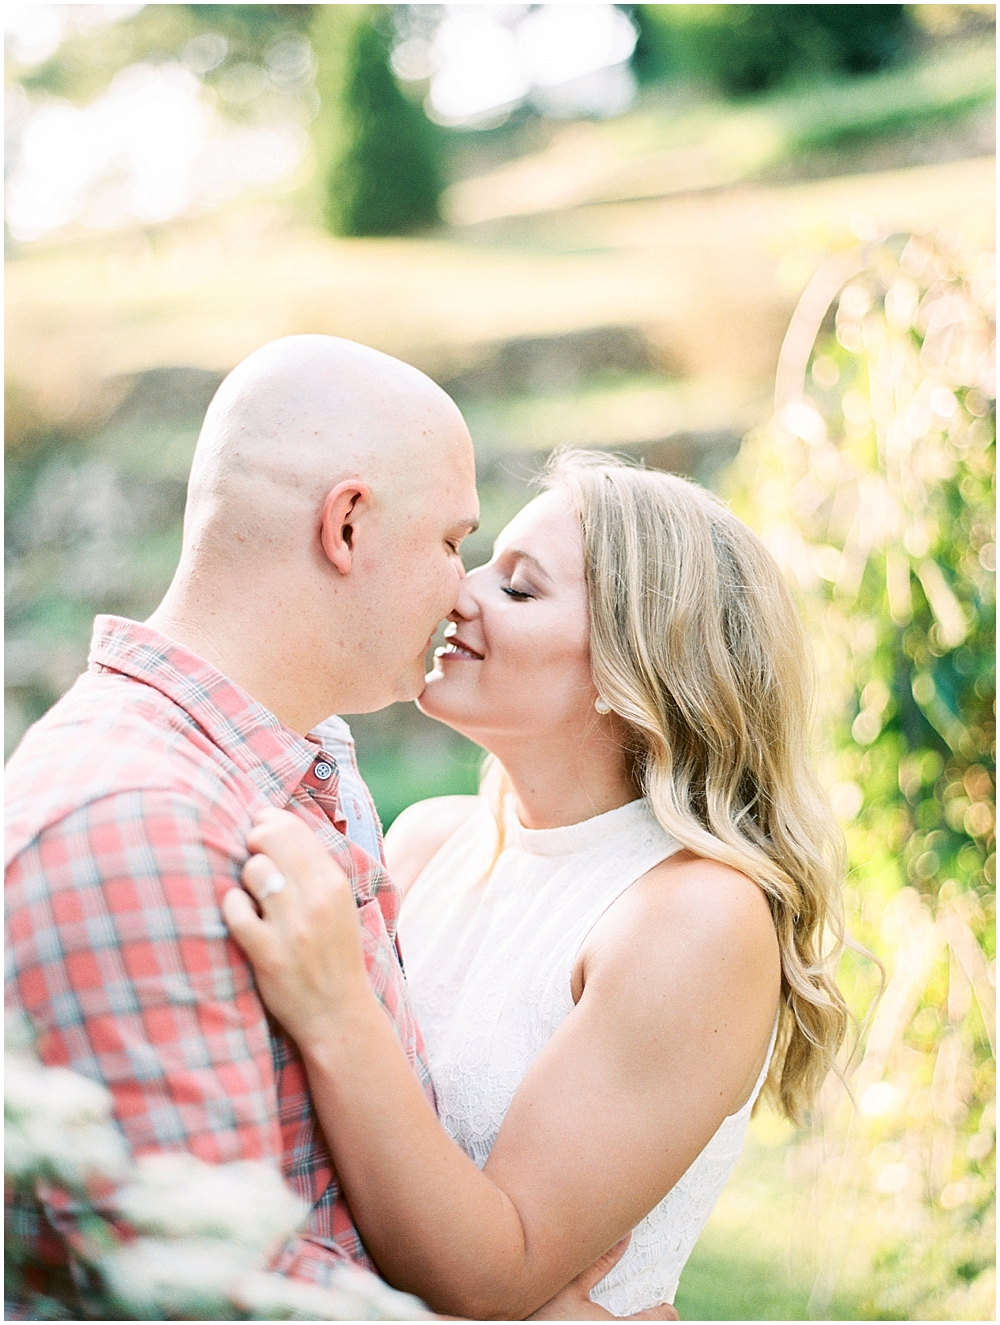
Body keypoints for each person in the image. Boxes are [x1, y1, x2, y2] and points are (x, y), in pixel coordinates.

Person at [7, 336, 643, 1321]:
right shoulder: (138, 826)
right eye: (449, 542)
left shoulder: (304, 759)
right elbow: (214, 1299)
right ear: (347, 525)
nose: (460, 588)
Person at [225, 450, 852, 1320]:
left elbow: (490, 1274)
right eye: (480, 563)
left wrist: (333, 1003)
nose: (458, 594)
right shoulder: (426, 843)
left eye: (519, 590)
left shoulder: (695, 915)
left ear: (635, 664)